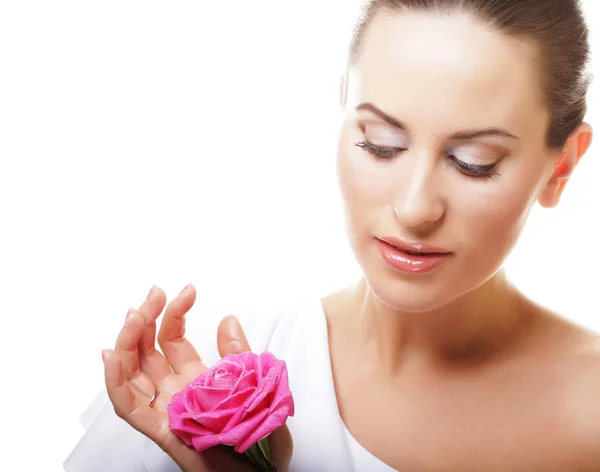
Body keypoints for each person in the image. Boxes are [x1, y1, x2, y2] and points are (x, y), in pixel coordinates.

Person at [64, 0, 599, 470]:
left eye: (473, 163)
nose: (415, 209)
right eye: (381, 144)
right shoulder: (207, 374)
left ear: (562, 167)